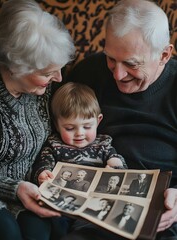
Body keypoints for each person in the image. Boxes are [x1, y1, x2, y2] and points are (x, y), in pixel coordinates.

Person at [62, 0, 177, 239]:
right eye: (111, 59)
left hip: (162, 210)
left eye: (131, 64)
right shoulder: (89, 73)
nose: (118, 74)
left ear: (165, 54)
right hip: (93, 206)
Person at [0, 0, 75, 239]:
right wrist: (14, 188)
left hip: (30, 187)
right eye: (48, 73)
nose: (59, 78)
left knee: (39, 232)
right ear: (16, 66)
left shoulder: (44, 90)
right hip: (7, 190)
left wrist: (43, 172)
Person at [31, 82, 127, 186]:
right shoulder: (54, 145)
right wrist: (42, 173)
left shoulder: (103, 144)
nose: (79, 133)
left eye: (87, 127)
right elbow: (43, 163)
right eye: (69, 128)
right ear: (57, 125)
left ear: (98, 121)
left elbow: (117, 160)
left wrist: (115, 164)